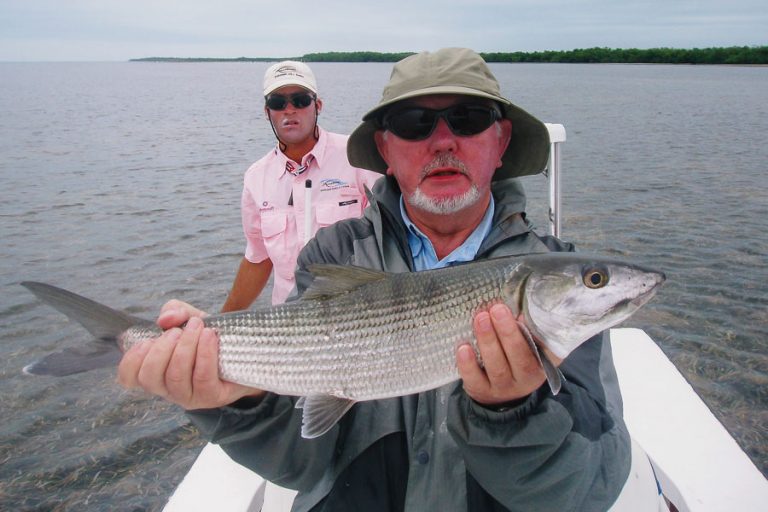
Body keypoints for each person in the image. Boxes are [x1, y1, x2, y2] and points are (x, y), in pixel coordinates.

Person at [118, 48, 662, 511]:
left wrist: (514, 415)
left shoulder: (552, 271)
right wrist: (237, 405)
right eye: (413, 125)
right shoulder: (331, 253)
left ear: (501, 142)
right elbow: (303, 462)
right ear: (384, 149)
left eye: (469, 119)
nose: (443, 141)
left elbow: (592, 484)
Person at [222, 60, 380, 309]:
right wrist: (218, 323)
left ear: (317, 106)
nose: (289, 110)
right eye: (277, 102)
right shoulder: (255, 177)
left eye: (300, 100)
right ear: (267, 112)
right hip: (289, 323)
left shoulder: (358, 156)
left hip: (359, 316)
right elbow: (258, 257)